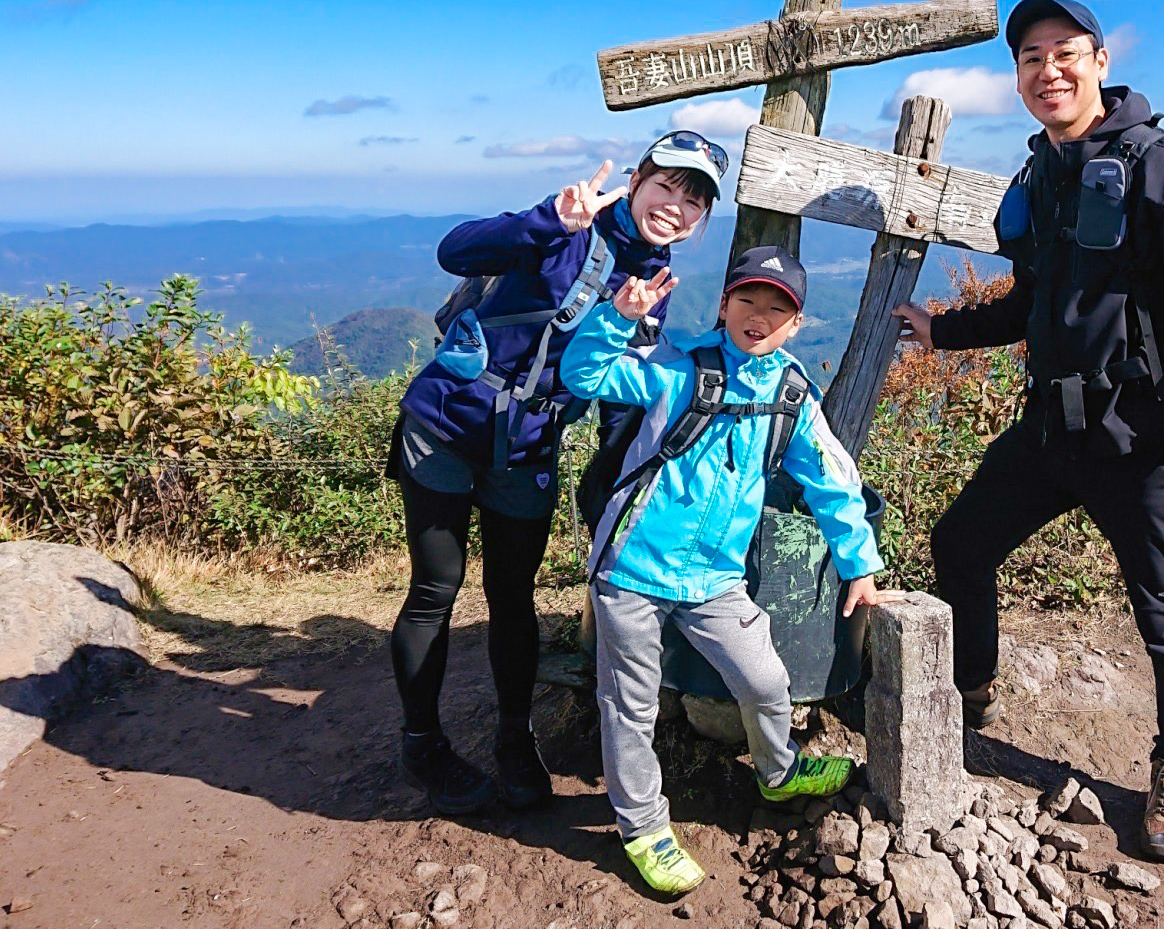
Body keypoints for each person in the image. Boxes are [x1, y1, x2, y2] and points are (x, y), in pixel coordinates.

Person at [893, 0, 1164, 863]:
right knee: (962, 543)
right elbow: (1031, 302)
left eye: (1063, 53)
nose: (1047, 70)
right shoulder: (1042, 177)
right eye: (1029, 59)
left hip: (1144, 437)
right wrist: (946, 331)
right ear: (1017, 78)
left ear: (1099, 60)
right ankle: (971, 687)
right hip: (1051, 427)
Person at [386, 131, 726, 816]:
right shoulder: (568, 224)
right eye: (667, 185)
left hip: (529, 446)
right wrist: (548, 218)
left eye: (695, 200)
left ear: (703, 220)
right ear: (636, 179)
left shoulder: (652, 280)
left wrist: (616, 479)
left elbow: (614, 384)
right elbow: (455, 250)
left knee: (512, 595)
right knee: (436, 588)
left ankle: (516, 739)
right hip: (446, 425)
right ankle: (422, 743)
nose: (676, 206)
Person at [561, 246, 900, 896]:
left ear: (796, 323)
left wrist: (859, 564)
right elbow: (587, 376)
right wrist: (614, 316)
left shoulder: (791, 394)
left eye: (778, 307)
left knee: (766, 678)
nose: (759, 315)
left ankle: (777, 773)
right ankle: (644, 829)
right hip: (633, 566)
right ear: (724, 305)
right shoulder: (680, 366)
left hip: (714, 578)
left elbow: (832, 480)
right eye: (748, 299)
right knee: (629, 707)